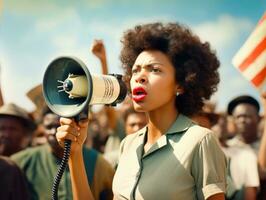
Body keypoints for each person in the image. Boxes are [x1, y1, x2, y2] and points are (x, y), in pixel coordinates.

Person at [56, 22, 227, 200]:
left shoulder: (200, 141)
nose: (140, 77)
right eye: (135, 70)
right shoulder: (128, 144)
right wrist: (75, 153)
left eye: (155, 69)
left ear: (181, 84)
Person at [11, 106, 114, 200]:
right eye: (48, 127)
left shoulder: (98, 162)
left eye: (58, 126)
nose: (52, 132)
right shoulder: (23, 161)